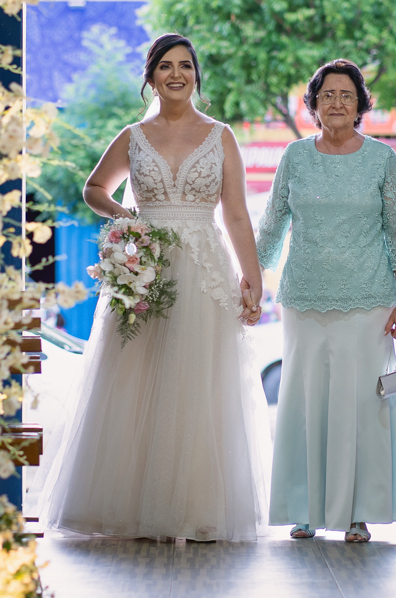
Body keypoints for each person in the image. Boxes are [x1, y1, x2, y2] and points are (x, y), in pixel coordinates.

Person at [39, 33, 272, 542]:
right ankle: (128, 506)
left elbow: (235, 212)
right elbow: (94, 188)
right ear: (150, 77)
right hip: (142, 265)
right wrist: (127, 220)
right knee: (133, 380)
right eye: (165, 66)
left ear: (196, 74)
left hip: (204, 267)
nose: (176, 74)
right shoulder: (132, 136)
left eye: (185, 65)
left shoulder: (220, 135)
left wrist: (251, 276)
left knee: (197, 383)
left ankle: (195, 508)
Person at [257, 58, 396, 543]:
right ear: (314, 104)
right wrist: (244, 276)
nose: (337, 102)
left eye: (346, 94)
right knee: (304, 402)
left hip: (369, 301)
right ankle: (303, 509)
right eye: (327, 95)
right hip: (302, 299)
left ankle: (357, 513)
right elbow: (271, 226)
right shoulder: (294, 157)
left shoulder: (383, 158)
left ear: (361, 103)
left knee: (360, 406)